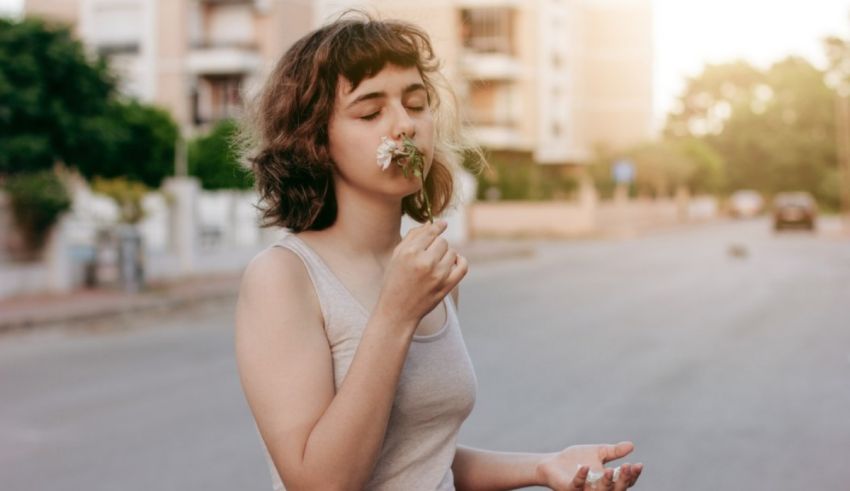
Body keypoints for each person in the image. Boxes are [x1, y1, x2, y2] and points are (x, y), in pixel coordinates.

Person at [234, 11, 644, 491]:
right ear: (315, 142)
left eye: (416, 103)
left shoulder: (425, 273)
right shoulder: (284, 278)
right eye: (370, 112)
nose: (404, 126)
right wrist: (395, 315)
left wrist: (542, 467)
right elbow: (320, 483)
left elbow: (419, 460)